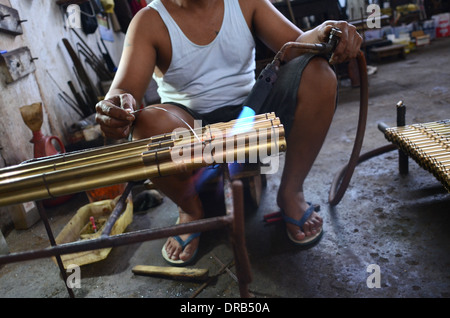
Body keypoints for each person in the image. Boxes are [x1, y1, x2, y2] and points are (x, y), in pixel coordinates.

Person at [95, 0, 362, 265]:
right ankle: (190, 210)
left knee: (319, 74)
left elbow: (298, 46)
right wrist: (115, 107)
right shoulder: (149, 21)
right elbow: (123, 90)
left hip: (252, 115)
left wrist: (324, 32)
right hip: (190, 129)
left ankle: (291, 192)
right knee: (144, 127)